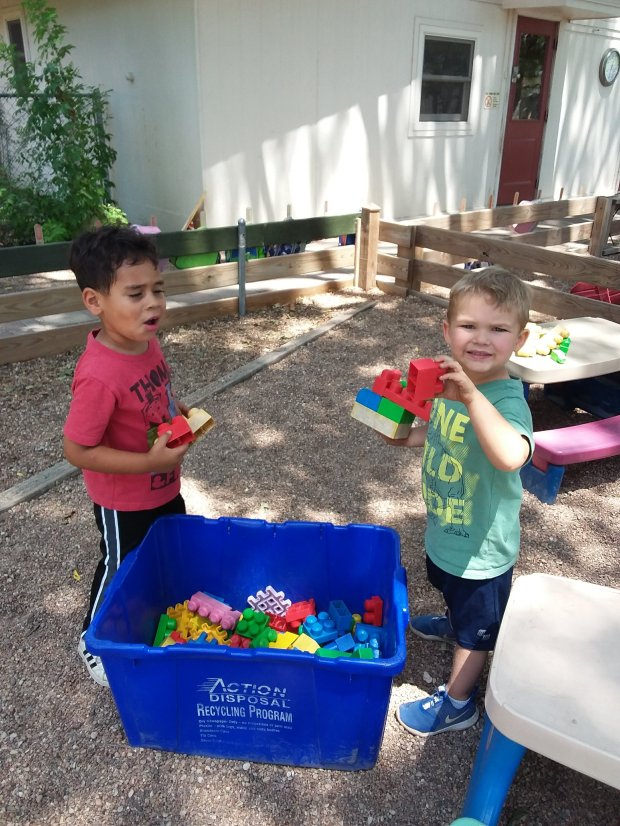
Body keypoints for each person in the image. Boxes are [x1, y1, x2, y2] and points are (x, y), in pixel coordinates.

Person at [386, 267, 533, 736]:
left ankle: (458, 702)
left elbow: (510, 455)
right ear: (447, 331)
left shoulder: (506, 399)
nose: (482, 339)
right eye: (469, 325)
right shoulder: (452, 383)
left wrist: (470, 397)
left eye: (498, 329)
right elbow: (440, 432)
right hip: (448, 528)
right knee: (450, 589)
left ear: (520, 339)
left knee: (476, 628)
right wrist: (405, 435)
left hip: (483, 550)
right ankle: (455, 623)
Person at [63, 225, 190, 687]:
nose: (153, 303)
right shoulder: (99, 374)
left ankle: (156, 609)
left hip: (163, 484)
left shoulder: (145, 342)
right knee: (120, 565)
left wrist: (177, 411)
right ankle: (93, 639)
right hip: (124, 500)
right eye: (135, 294)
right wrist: (150, 464)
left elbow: (155, 394)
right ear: (94, 301)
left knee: (167, 548)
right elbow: (77, 449)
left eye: (158, 289)